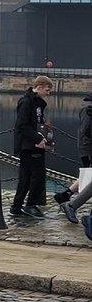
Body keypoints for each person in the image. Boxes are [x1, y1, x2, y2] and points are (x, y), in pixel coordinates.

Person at [10, 75, 54, 219]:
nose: (48, 93)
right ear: (39, 87)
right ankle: (31, 204)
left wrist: (44, 129)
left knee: (26, 176)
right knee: (37, 175)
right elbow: (22, 125)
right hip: (29, 145)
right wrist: (38, 137)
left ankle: (17, 206)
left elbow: (33, 123)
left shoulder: (38, 104)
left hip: (34, 144)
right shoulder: (26, 102)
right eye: (47, 90)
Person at [55, 92, 92, 223]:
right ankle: (70, 202)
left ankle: (67, 197)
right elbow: (86, 132)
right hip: (88, 149)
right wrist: (86, 154)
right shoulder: (88, 109)